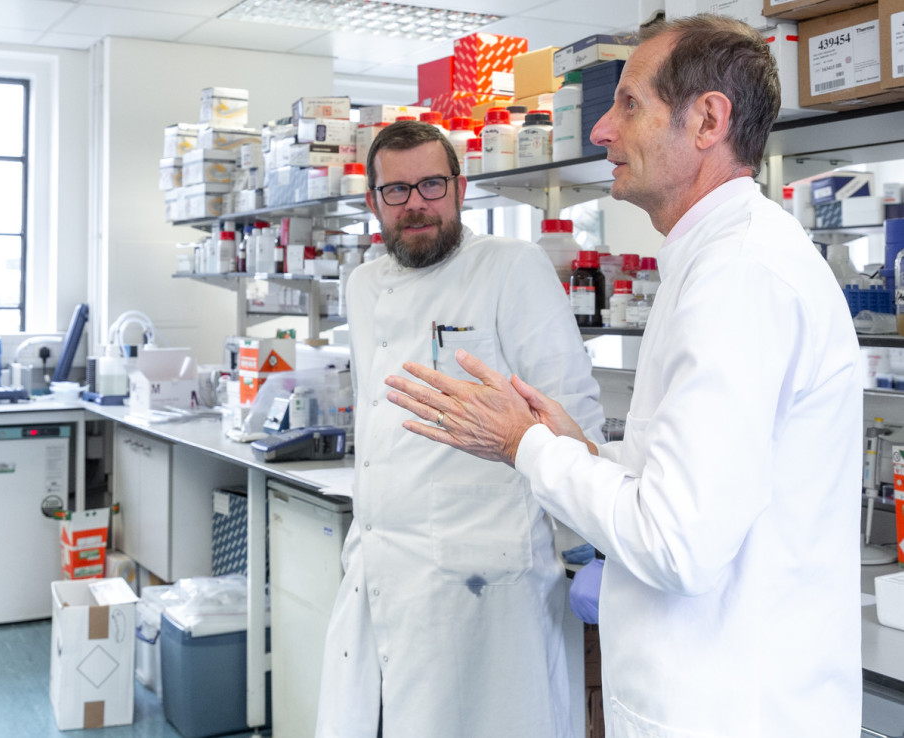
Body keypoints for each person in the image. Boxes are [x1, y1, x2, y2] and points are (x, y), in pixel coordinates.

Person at [383, 16, 862, 736]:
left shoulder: (739, 277)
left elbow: (675, 541)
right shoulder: (709, 264)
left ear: (708, 119)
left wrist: (529, 448)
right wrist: (580, 450)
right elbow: (681, 484)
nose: (602, 129)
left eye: (629, 103)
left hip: (731, 710)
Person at [316, 119, 606, 737]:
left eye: (430, 184)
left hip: (484, 577)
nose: (415, 203)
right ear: (374, 202)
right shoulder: (363, 286)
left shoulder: (512, 267)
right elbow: (377, 422)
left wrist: (591, 541)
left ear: (460, 188)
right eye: (396, 191)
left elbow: (570, 414)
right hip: (379, 563)